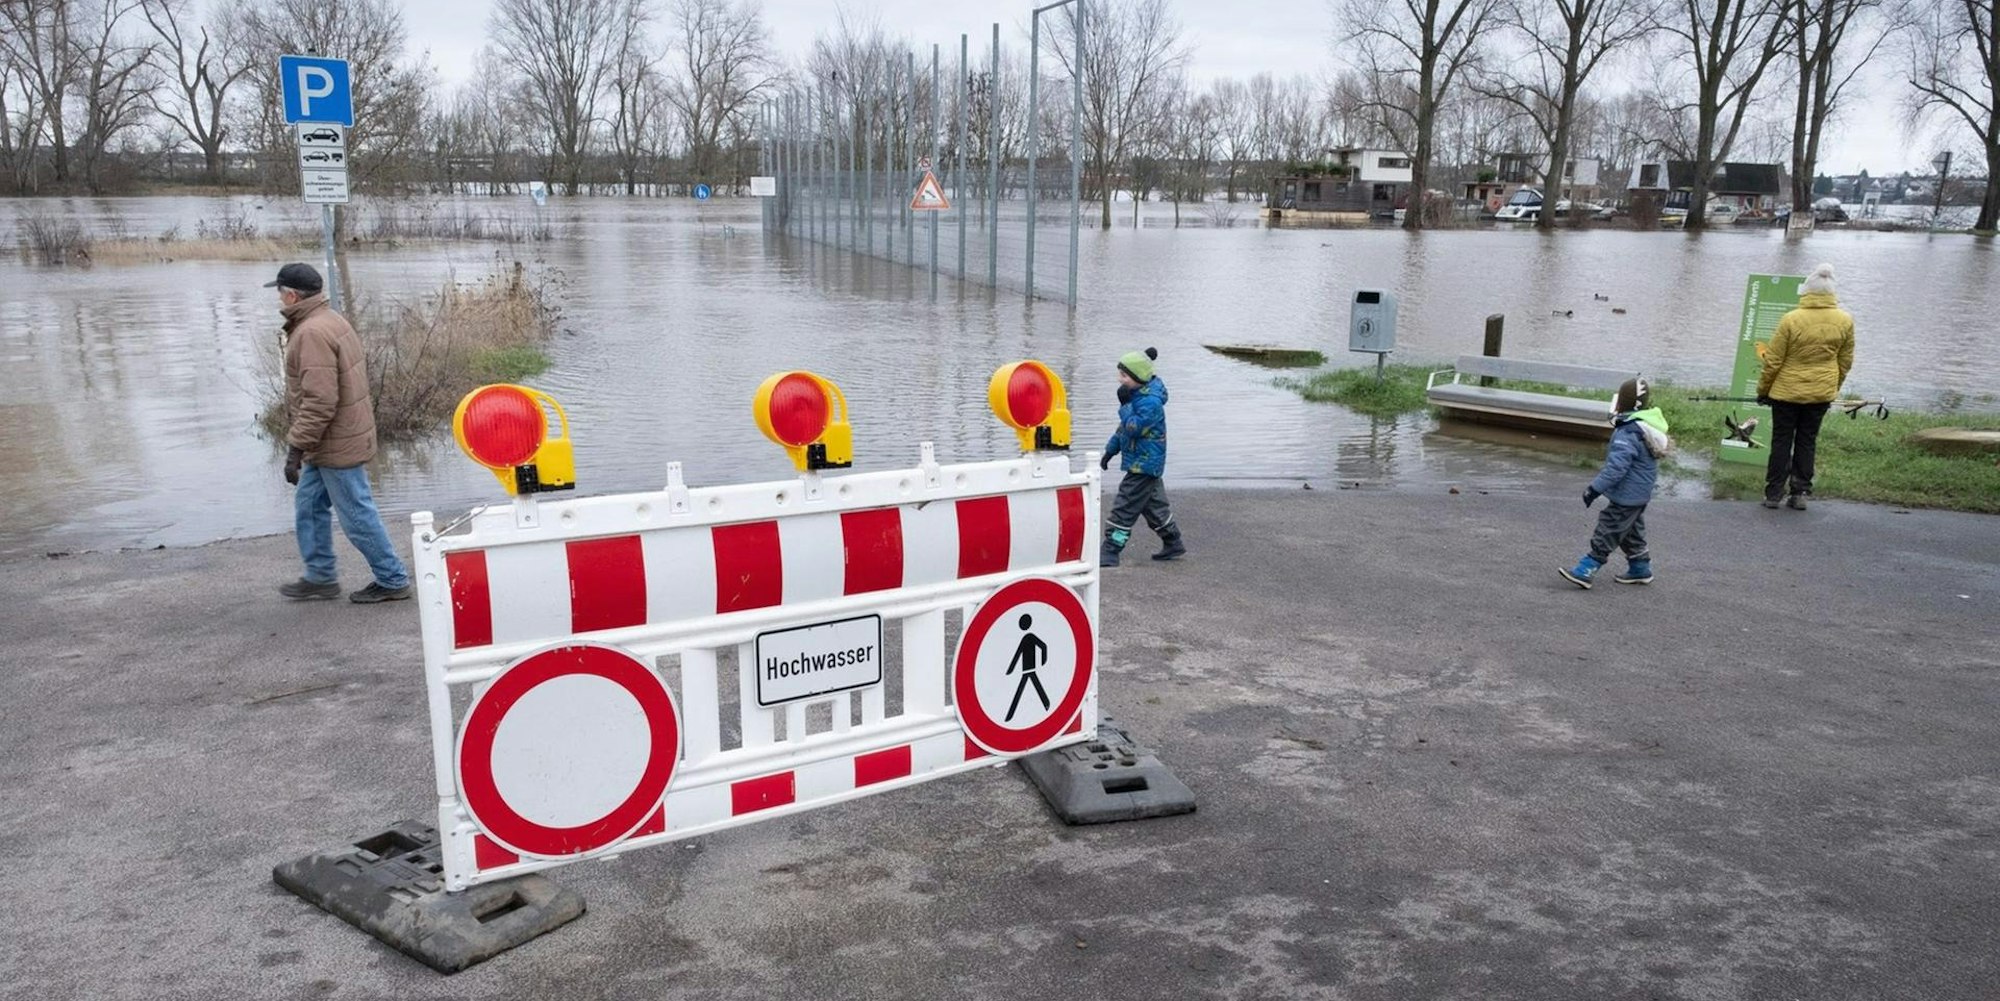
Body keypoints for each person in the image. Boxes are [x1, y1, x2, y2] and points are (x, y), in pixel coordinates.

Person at [268, 263, 412, 603]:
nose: (279, 298)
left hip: (335, 443)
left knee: (356, 514)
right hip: (332, 438)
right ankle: (320, 577)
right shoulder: (329, 319)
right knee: (308, 505)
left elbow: (320, 400)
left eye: (279, 292)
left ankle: (392, 579)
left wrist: (295, 449)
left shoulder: (310, 333)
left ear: (291, 295)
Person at [1757, 262, 1856, 511]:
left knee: (1781, 440)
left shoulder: (1791, 319)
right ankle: (1800, 492)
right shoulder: (1845, 320)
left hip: (1785, 393)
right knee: (1807, 440)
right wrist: (1833, 386)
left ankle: (1773, 493)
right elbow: (1845, 361)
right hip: (1820, 394)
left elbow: (1774, 360)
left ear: (1806, 292)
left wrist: (1763, 390)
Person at [1561, 377, 1672, 589]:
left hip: (1628, 494)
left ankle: (1587, 568)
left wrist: (1594, 489)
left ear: (1621, 403)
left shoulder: (1628, 432)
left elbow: (1616, 468)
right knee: (1630, 529)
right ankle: (1640, 568)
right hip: (1639, 493)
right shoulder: (1645, 426)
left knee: (1610, 526)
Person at [1099, 347, 1185, 568]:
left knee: (1124, 507)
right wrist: (1111, 450)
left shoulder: (1150, 403)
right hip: (1143, 463)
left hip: (1144, 464)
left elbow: (1134, 428)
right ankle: (1172, 541)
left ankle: (1110, 549)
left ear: (1138, 377)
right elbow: (1123, 431)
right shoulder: (1137, 396)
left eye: (1124, 376)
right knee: (1154, 507)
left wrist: (1125, 406)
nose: (1120, 380)